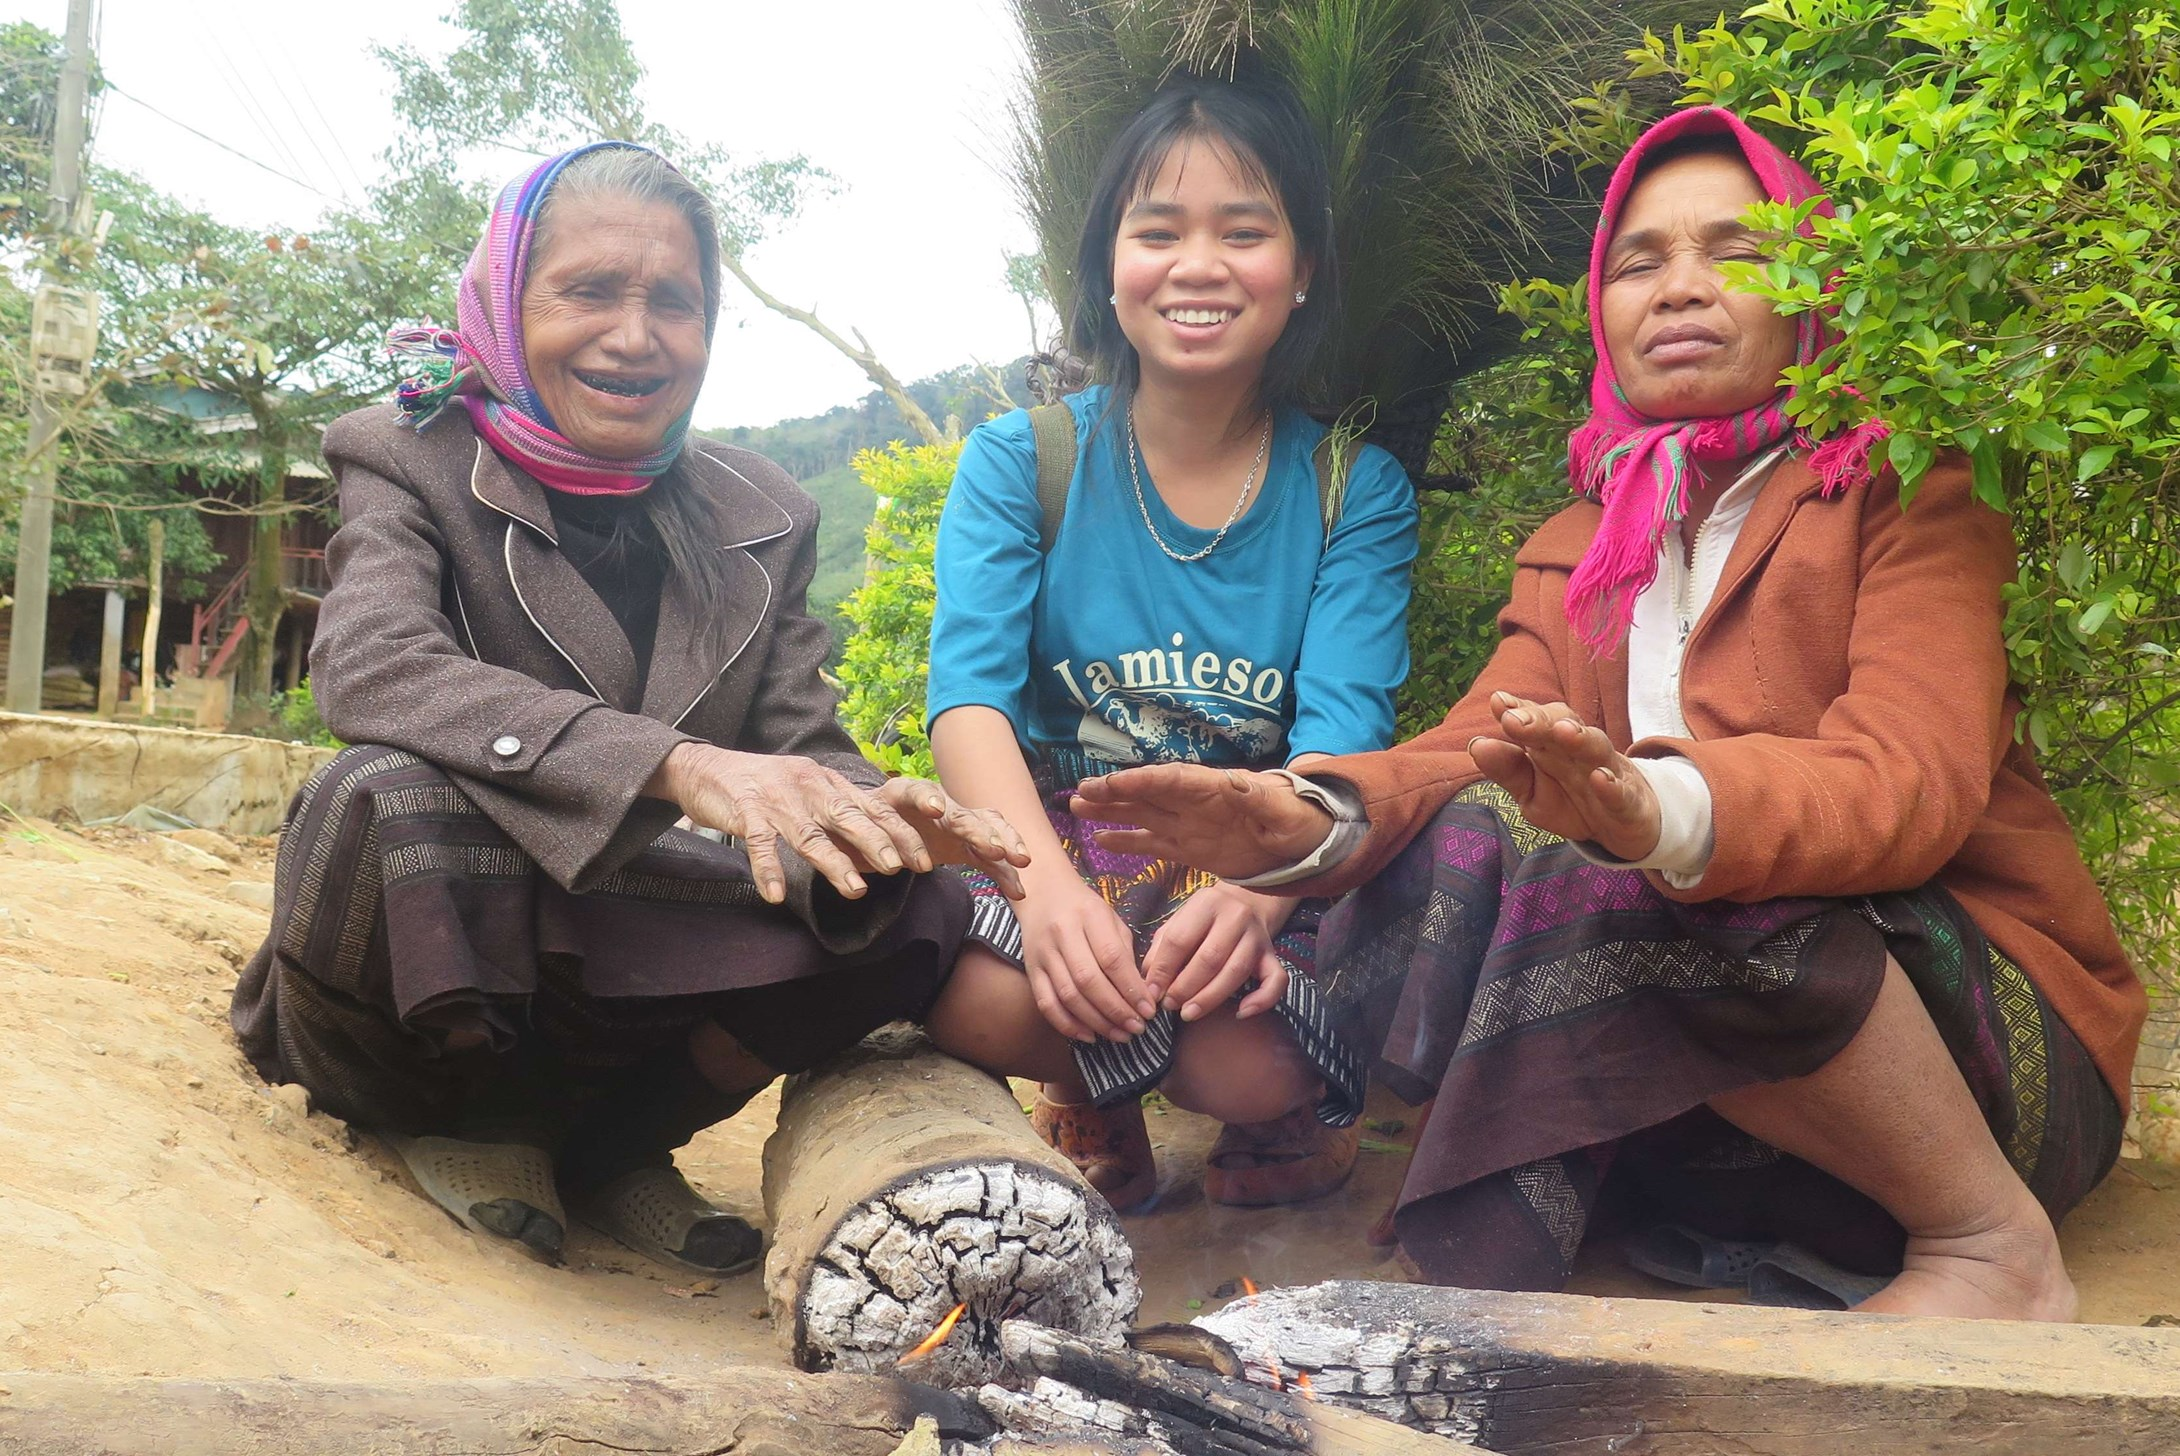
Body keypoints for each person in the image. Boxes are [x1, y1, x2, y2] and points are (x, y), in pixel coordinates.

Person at [1066, 107, 2146, 1320]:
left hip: (1987, 1076)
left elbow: (1908, 780)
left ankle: (1986, 1248)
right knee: (1442, 846)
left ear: (1811, 285)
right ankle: (1562, 1193)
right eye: (1638, 262)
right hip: (1737, 1129)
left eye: (1734, 252)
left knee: (1637, 872)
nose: (1677, 289)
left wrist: (1663, 811)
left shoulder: (1902, 490)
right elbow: (1464, 750)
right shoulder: (1582, 545)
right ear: (1601, 307)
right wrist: (1298, 820)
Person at [232, 142, 1028, 1276]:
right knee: (386, 801)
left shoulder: (765, 512)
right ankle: (466, 1117)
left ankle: (611, 1144)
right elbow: (371, 666)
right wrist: (681, 765)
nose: (635, 333)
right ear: (507, 304)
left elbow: (803, 754)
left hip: (627, 932)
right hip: (445, 940)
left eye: (674, 302)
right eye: (589, 291)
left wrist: (877, 809)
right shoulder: (409, 450)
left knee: (905, 895)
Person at [919, 75, 1419, 1211]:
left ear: (1299, 274)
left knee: (1253, 1064)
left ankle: (1185, 1076)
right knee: (942, 982)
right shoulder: (1022, 460)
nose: (1197, 264)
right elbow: (970, 704)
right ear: (1107, 265)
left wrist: (1259, 896)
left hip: (1251, 844)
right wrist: (1045, 898)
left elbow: (1343, 732)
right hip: (1060, 839)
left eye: (1243, 232)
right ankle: (1090, 1075)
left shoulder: (1351, 489)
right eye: (1158, 231)